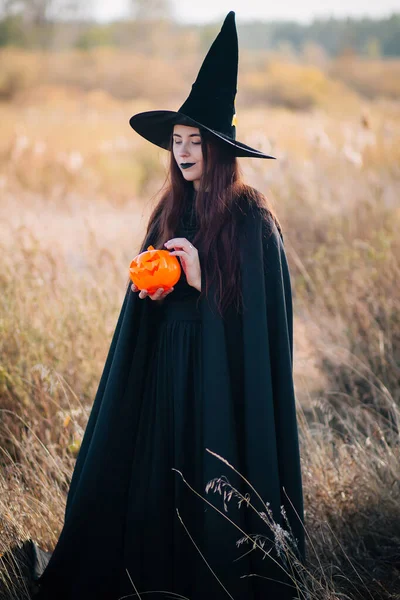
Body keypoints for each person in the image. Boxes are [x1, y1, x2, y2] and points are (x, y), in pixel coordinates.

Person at [33, 11, 305, 600]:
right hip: (163, 374)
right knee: (160, 483)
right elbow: (144, 305)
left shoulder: (251, 218)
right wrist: (151, 289)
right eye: (176, 141)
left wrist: (205, 282)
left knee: (209, 487)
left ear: (218, 148)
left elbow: (263, 332)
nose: (183, 152)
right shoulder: (168, 212)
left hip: (220, 384)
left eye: (195, 141)